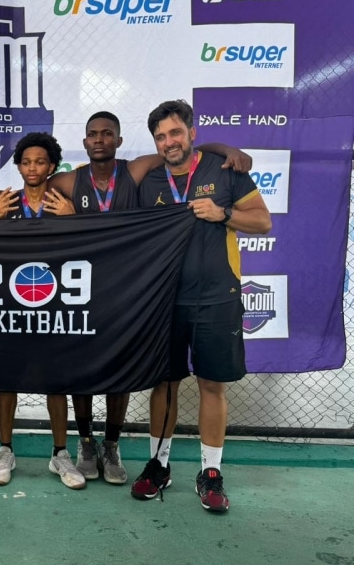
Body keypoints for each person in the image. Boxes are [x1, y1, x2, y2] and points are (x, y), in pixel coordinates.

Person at [47, 111, 254, 487]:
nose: (99, 139)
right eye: (92, 134)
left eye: (107, 133)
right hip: (119, 295)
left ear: (119, 140)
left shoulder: (141, 172)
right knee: (128, 377)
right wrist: (69, 213)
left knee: (176, 380)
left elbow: (188, 156)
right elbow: (35, 184)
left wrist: (225, 154)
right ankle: (112, 451)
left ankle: (194, 467)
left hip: (173, 294)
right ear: (84, 141)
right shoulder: (85, 181)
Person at [133, 99, 271, 513]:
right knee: (165, 383)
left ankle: (211, 472)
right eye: (161, 136)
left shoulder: (224, 171)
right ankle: (159, 464)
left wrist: (222, 212)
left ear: (192, 133)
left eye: (176, 133)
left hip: (217, 296)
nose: (169, 142)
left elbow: (262, 221)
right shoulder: (151, 182)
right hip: (166, 300)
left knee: (212, 384)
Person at [0, 132, 85, 489]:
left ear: (52, 166)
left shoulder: (64, 201)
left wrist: (74, 219)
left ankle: (60, 453)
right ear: (18, 165)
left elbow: (84, 249)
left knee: (55, 380)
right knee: (9, 376)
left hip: (53, 302)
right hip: (13, 302)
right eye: (26, 162)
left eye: (40, 162)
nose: (32, 168)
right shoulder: (7, 202)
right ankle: (6, 450)